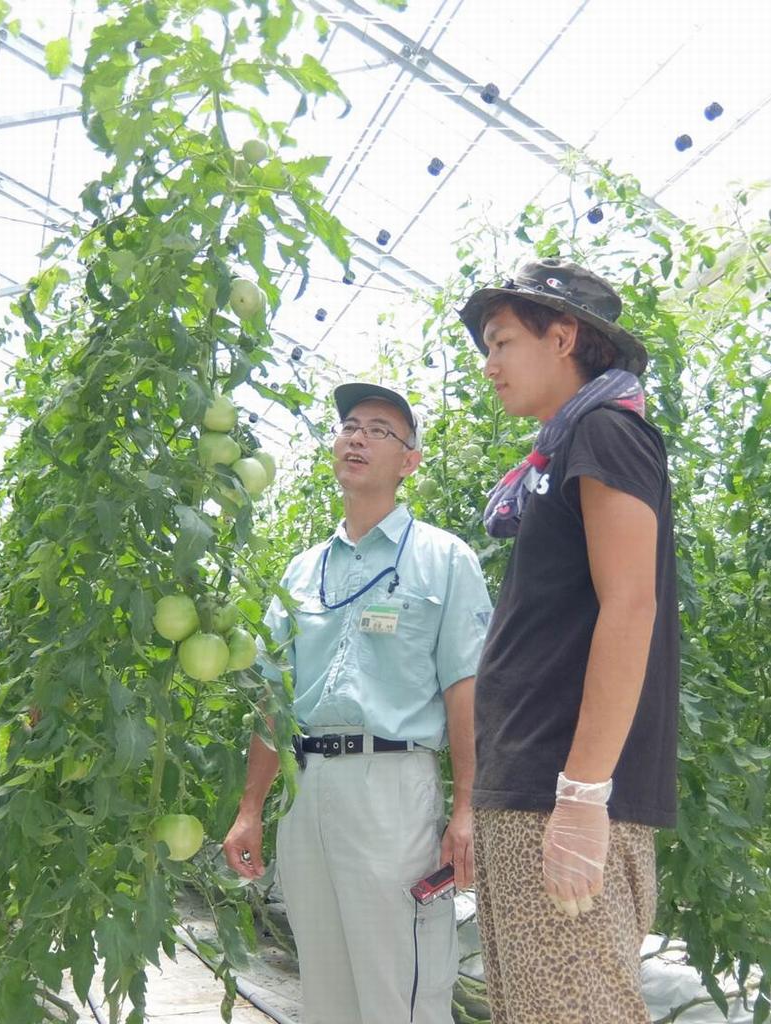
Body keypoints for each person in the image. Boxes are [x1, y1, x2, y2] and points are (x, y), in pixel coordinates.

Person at [223, 382, 493, 1024]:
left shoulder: (443, 559)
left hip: (392, 789)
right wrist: (250, 808)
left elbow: (466, 690)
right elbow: (272, 699)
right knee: (327, 987)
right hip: (307, 790)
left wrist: (466, 809)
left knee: (399, 985)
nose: (358, 437)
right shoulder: (301, 572)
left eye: (380, 429)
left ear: (410, 461)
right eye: (349, 425)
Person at [458, 258, 679, 1024]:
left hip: (558, 793)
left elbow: (630, 606)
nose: (487, 367)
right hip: (528, 793)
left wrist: (582, 798)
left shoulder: (605, 432)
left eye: (500, 342)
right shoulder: (561, 452)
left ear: (563, 336)